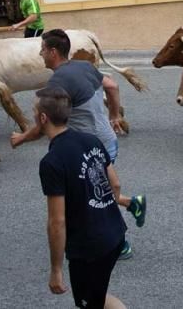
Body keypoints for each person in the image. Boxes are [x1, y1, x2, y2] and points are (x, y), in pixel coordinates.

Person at [11, 29, 146, 260]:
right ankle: (131, 204)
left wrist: (21, 138)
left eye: (43, 49)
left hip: (88, 149)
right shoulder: (84, 66)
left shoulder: (57, 83)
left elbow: (46, 124)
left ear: (53, 52)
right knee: (97, 191)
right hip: (107, 142)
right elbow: (112, 85)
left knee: (94, 197)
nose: (40, 53)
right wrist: (114, 116)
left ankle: (120, 242)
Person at [35, 85, 130, 309]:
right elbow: (115, 183)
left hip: (90, 249)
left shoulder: (52, 162)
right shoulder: (91, 140)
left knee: (90, 302)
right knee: (96, 298)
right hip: (115, 232)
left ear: (42, 118)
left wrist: (56, 270)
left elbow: (57, 222)